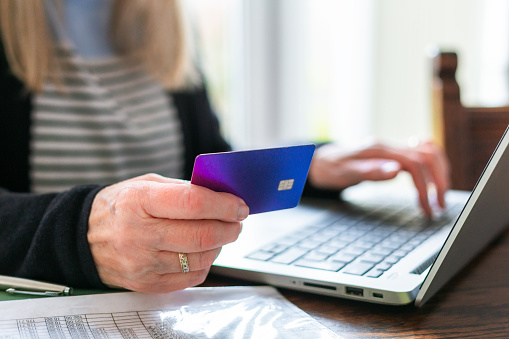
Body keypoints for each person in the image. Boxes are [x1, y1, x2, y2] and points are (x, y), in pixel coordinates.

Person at [0, 0, 449, 294]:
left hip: (177, 306)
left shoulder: (164, 24)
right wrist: (79, 232)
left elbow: (202, 165)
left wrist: (308, 167)